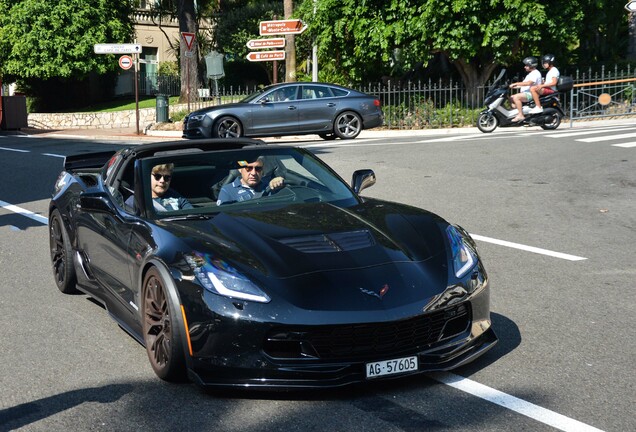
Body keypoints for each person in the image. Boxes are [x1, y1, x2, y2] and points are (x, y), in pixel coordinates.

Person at [216, 157, 285, 205]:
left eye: (258, 169)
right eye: (248, 168)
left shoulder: (270, 186)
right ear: (240, 169)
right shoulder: (227, 190)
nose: (253, 173)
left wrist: (280, 183)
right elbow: (224, 216)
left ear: (262, 171)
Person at [125, 163, 193, 211]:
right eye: (157, 176)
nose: (162, 181)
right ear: (147, 177)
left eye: (167, 177)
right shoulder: (135, 201)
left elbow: (191, 214)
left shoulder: (177, 197)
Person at [509, 56, 542, 122]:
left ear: (531, 65)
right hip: (526, 93)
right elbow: (523, 84)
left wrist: (517, 83)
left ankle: (521, 115)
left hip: (531, 94)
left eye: (526, 65)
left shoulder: (535, 73)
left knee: (516, 97)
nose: (525, 67)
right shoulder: (530, 74)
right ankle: (518, 112)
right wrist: (514, 86)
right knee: (511, 97)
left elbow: (528, 83)